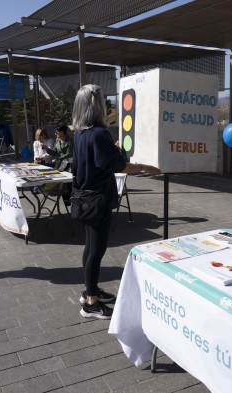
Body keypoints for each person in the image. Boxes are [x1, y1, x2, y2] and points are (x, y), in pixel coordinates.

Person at [72, 84, 160, 319]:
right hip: (98, 199)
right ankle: (91, 303)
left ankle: (90, 291)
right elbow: (117, 166)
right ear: (97, 105)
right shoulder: (100, 134)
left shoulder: (79, 133)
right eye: (103, 100)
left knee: (90, 247)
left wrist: (114, 150)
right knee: (97, 249)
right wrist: (145, 167)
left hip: (85, 197)